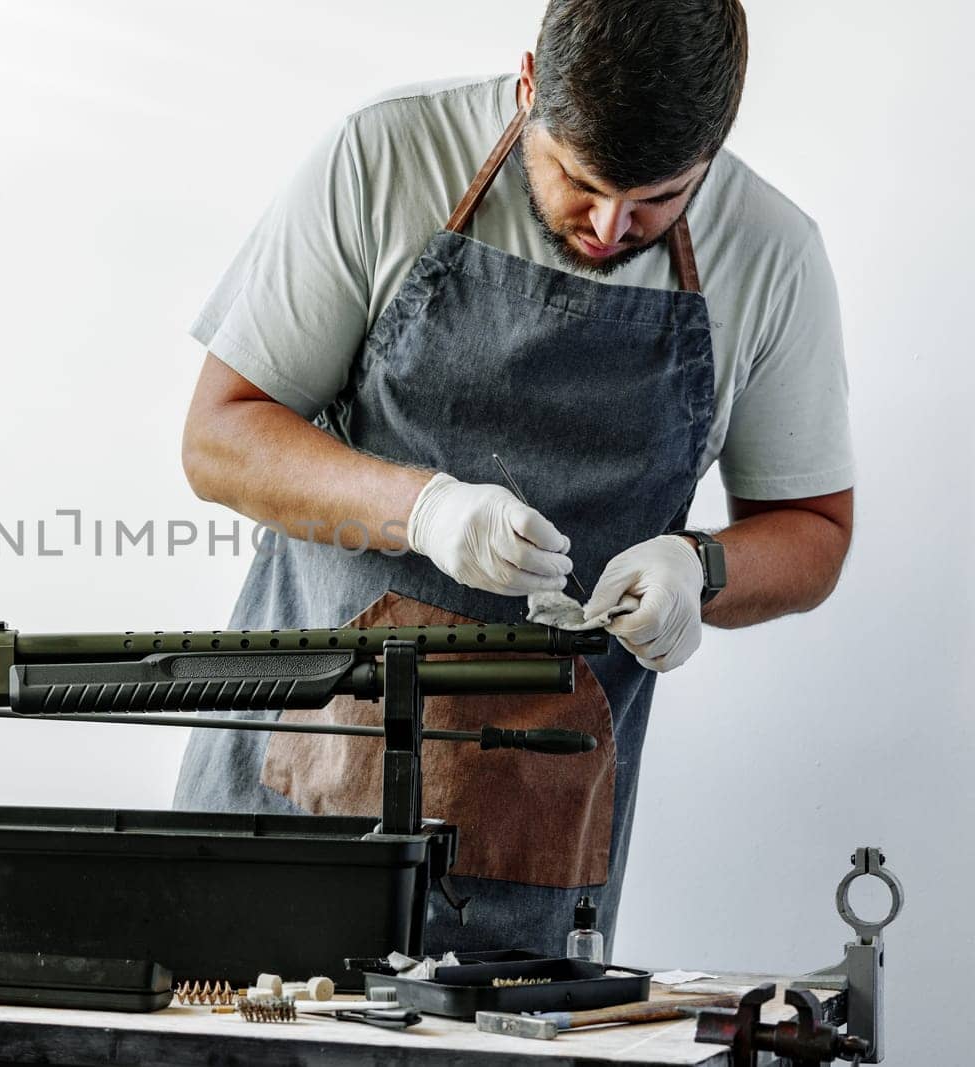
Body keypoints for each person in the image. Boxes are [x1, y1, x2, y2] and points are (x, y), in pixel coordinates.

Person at [172, 0, 853, 955]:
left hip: (540, 838)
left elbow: (814, 530)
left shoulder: (773, 255)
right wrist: (423, 510)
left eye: (660, 199)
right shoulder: (387, 159)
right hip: (298, 784)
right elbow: (220, 437)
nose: (613, 226)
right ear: (530, 84)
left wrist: (699, 568)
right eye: (580, 180)